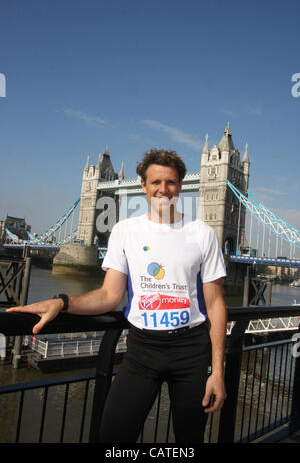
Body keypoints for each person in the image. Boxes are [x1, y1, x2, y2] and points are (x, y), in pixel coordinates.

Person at [7, 149, 227, 443]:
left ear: (181, 186)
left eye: (171, 182)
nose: (163, 189)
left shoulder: (203, 233)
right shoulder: (124, 231)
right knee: (113, 436)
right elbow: (110, 296)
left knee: (190, 439)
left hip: (191, 350)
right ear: (143, 185)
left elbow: (214, 304)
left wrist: (218, 371)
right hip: (141, 349)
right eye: (156, 182)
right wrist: (62, 302)